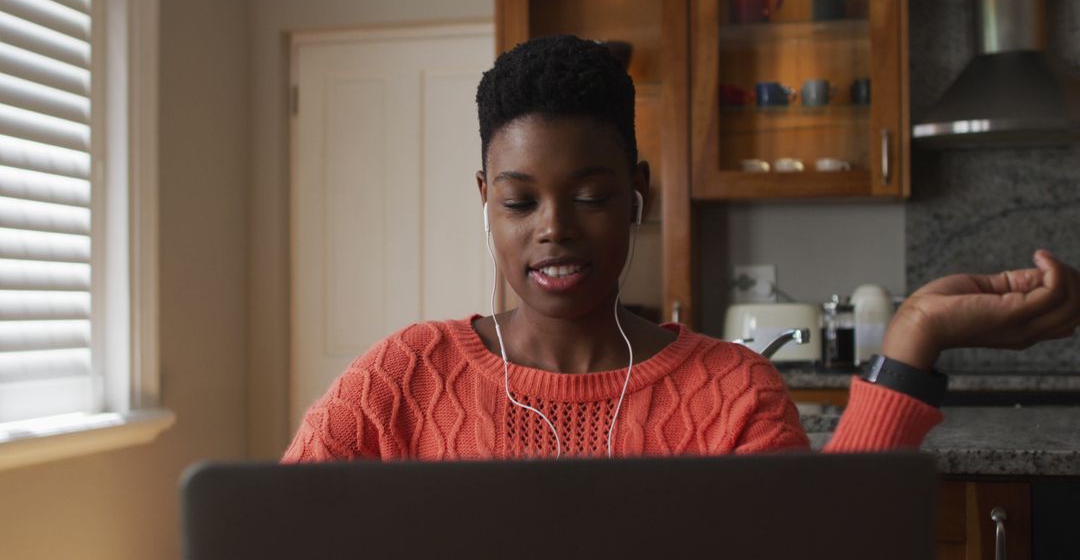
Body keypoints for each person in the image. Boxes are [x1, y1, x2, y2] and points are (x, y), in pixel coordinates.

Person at [282, 35, 1080, 463]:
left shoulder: (732, 390)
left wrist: (914, 335)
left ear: (640, 193)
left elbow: (821, 546)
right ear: (485, 201)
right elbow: (276, 535)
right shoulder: (402, 377)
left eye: (591, 195)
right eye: (519, 200)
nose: (552, 226)